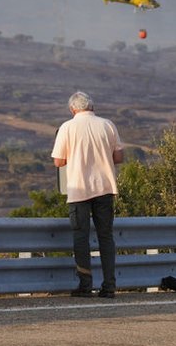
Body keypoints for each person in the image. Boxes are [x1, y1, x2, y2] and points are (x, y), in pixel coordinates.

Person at [51, 91, 124, 298]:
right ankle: (109, 286)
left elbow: (58, 161)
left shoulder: (67, 127)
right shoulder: (108, 125)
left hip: (78, 189)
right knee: (106, 237)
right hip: (105, 188)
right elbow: (118, 157)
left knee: (81, 238)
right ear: (91, 106)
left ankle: (85, 285)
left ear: (72, 109)